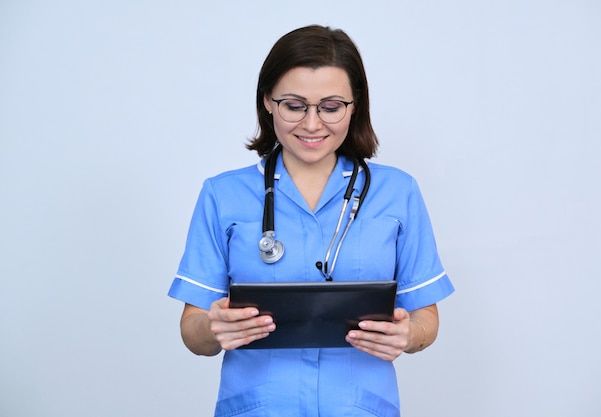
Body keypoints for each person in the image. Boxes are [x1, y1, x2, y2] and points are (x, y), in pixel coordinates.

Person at [168, 24, 454, 417]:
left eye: (331, 107)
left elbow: (426, 318)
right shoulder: (222, 195)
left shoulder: (398, 193)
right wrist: (212, 328)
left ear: (355, 106)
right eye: (294, 105)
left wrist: (407, 335)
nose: (313, 124)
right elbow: (194, 331)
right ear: (268, 101)